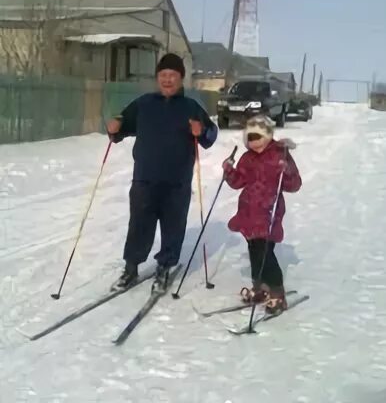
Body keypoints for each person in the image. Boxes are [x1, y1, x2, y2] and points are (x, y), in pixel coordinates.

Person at [107, 53, 218, 293]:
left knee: (173, 226)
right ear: (158, 78)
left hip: (177, 182)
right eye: (163, 75)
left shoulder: (191, 107)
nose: (167, 80)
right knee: (139, 225)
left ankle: (164, 267)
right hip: (145, 178)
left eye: (172, 75)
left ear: (181, 78)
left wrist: (202, 131)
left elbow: (211, 136)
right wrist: (114, 127)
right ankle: (131, 268)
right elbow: (120, 128)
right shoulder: (144, 104)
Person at [222, 115, 301, 314]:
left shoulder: (279, 154)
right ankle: (261, 287)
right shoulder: (247, 157)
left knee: (264, 250)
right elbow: (238, 182)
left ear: (267, 135)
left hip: (269, 210)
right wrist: (229, 171)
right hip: (249, 210)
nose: (254, 142)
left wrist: (287, 170)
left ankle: (276, 292)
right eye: (250, 138)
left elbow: (294, 185)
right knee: (254, 249)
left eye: (257, 137)